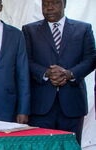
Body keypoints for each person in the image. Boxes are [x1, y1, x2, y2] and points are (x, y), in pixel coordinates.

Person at [22, 0, 95, 144]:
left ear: (64, 4)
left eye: (54, 3)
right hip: (40, 107)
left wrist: (69, 74)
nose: (49, 7)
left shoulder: (83, 29)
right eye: (45, 4)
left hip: (73, 105)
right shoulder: (29, 30)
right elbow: (25, 61)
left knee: (70, 146)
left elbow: (91, 59)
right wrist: (46, 73)